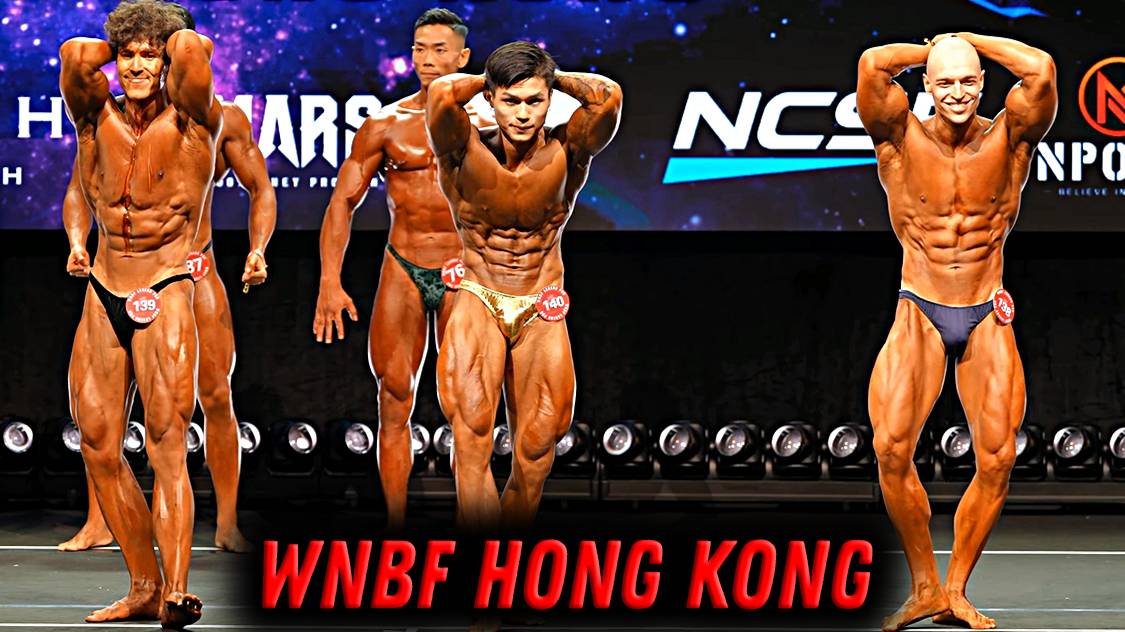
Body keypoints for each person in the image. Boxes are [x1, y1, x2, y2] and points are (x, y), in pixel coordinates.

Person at [858, 33, 1056, 631]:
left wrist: (967, 42)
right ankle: (924, 587)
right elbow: (872, 65)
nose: (958, 92)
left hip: (986, 309)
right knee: (890, 449)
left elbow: (1041, 69)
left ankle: (956, 590)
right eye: (944, 82)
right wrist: (938, 49)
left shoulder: (1011, 136)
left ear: (984, 83)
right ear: (925, 85)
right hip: (919, 306)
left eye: (969, 80)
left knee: (997, 457)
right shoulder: (898, 137)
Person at [58, 0, 224, 626]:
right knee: (98, 444)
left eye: (148, 55)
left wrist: (167, 43)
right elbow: (76, 55)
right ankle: (144, 585)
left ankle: (177, 591)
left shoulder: (196, 117)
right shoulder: (93, 114)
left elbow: (192, 52)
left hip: (166, 285)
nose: (134, 65)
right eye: (126, 55)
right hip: (104, 288)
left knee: (165, 443)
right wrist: (125, 39)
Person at [58, 97, 275, 554]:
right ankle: (99, 521)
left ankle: (228, 524)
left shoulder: (221, 119)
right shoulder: (111, 118)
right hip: (124, 275)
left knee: (215, 395)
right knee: (104, 409)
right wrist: (77, 241)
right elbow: (80, 186)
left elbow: (260, 187)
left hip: (193, 269)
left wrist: (258, 249)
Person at [425, 42, 622, 532]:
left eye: (535, 100)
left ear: (550, 100)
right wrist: (493, 76)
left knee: (537, 447)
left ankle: (506, 563)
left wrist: (550, 76)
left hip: (540, 301)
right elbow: (442, 93)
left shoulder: (568, 147)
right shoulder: (461, 146)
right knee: (471, 434)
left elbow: (609, 97)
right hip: (479, 292)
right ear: (490, 99)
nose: (523, 113)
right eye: (510, 100)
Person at [314, 8, 489, 531]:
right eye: (419, 48)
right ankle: (396, 528)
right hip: (403, 265)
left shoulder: (493, 120)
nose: (427, 58)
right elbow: (343, 202)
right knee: (393, 397)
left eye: (439, 49)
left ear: (463, 57)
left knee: (468, 405)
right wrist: (329, 281)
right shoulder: (386, 124)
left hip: (465, 268)